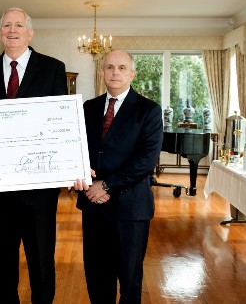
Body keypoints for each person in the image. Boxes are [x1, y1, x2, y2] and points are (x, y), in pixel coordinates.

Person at [0, 7, 67, 304]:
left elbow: (61, 125)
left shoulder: (53, 69)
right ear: (0, 32)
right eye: (6, 26)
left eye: (18, 25)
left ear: (30, 32)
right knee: (0, 265)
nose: (12, 31)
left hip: (39, 188)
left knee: (41, 262)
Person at [73, 50, 163, 304]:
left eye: (122, 68)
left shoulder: (149, 110)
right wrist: (79, 173)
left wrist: (108, 185)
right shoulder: (87, 108)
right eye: (110, 67)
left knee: (129, 278)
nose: (115, 72)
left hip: (131, 208)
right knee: (97, 276)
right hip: (93, 206)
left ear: (132, 74)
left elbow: (145, 161)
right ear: (101, 73)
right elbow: (76, 149)